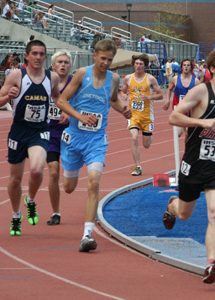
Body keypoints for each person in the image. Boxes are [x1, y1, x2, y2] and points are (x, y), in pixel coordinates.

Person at [162, 46, 215, 284]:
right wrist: (202, 122)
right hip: (194, 164)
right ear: (212, 69)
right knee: (185, 214)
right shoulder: (200, 91)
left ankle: (211, 264)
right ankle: (172, 206)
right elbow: (174, 117)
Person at [57, 39, 132, 252]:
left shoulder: (114, 79)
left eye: (110, 60)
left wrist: (123, 109)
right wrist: (80, 116)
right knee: (69, 188)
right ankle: (72, 169)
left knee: (93, 182)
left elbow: (113, 100)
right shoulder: (82, 74)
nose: (106, 63)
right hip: (74, 137)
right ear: (95, 56)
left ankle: (87, 235)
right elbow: (62, 101)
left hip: (96, 140)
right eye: (103, 59)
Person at [0, 40, 60, 236]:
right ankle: (16, 215)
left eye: (42, 54)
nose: (38, 57)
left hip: (39, 131)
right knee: (15, 180)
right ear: (27, 56)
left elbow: (57, 97)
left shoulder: (52, 77)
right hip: (18, 131)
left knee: (36, 170)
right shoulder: (17, 76)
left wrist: (64, 111)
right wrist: (8, 98)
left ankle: (30, 200)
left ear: (45, 57)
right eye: (35, 54)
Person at [120, 54, 163, 176]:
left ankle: (149, 134)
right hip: (133, 115)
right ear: (133, 64)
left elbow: (160, 94)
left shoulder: (150, 79)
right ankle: (138, 166)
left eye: (141, 64)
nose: (138, 66)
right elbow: (123, 92)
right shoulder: (128, 78)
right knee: (134, 138)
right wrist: (123, 95)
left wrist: (149, 97)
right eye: (137, 64)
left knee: (146, 145)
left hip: (147, 116)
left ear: (145, 66)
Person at [46, 50, 73, 225]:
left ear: (70, 66)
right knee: (54, 172)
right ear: (53, 65)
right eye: (60, 62)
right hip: (50, 134)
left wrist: (71, 114)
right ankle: (56, 213)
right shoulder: (45, 83)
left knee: (69, 183)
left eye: (66, 62)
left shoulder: (75, 83)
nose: (63, 65)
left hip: (71, 134)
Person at [163, 58, 200, 137]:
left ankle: (188, 149)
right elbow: (169, 89)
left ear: (191, 67)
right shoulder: (175, 79)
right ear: (181, 67)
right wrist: (167, 100)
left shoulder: (196, 81)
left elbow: (201, 95)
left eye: (188, 65)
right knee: (178, 134)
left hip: (190, 111)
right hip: (178, 110)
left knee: (188, 134)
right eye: (184, 65)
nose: (186, 67)